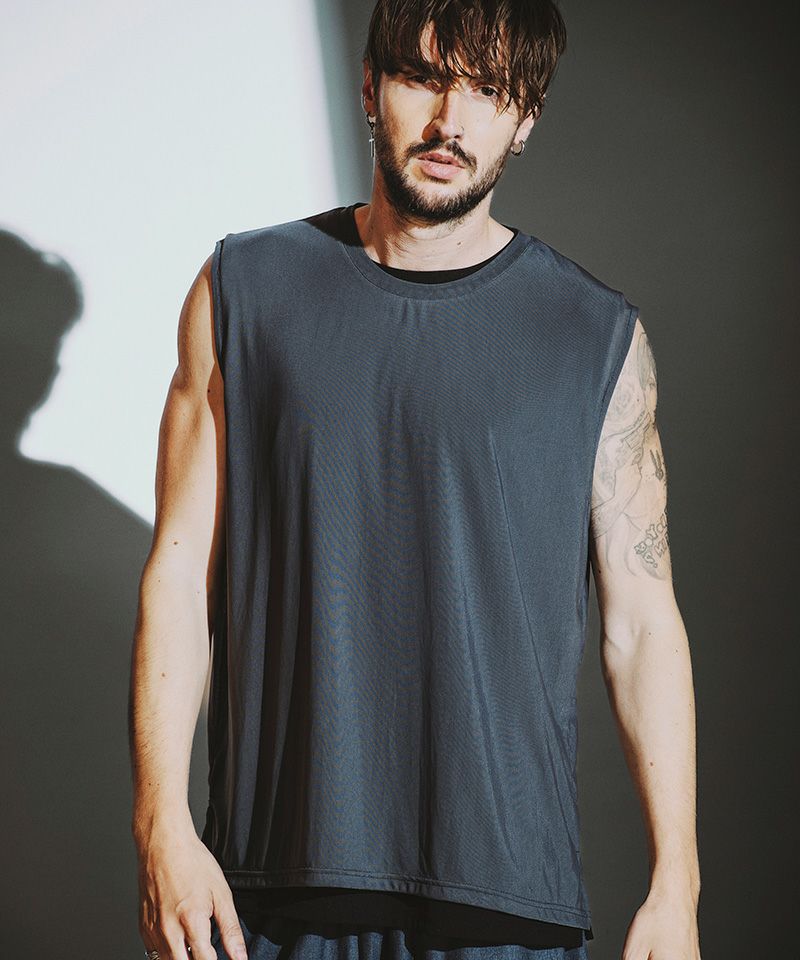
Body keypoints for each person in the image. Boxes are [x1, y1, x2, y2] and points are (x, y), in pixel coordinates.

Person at [128, 2, 702, 959]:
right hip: (271, 890)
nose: (449, 121)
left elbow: (642, 623)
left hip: (507, 901)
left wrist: (676, 883)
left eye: (488, 92)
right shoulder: (244, 290)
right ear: (370, 87)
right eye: (423, 78)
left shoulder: (593, 336)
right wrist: (161, 827)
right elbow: (180, 577)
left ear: (525, 119)